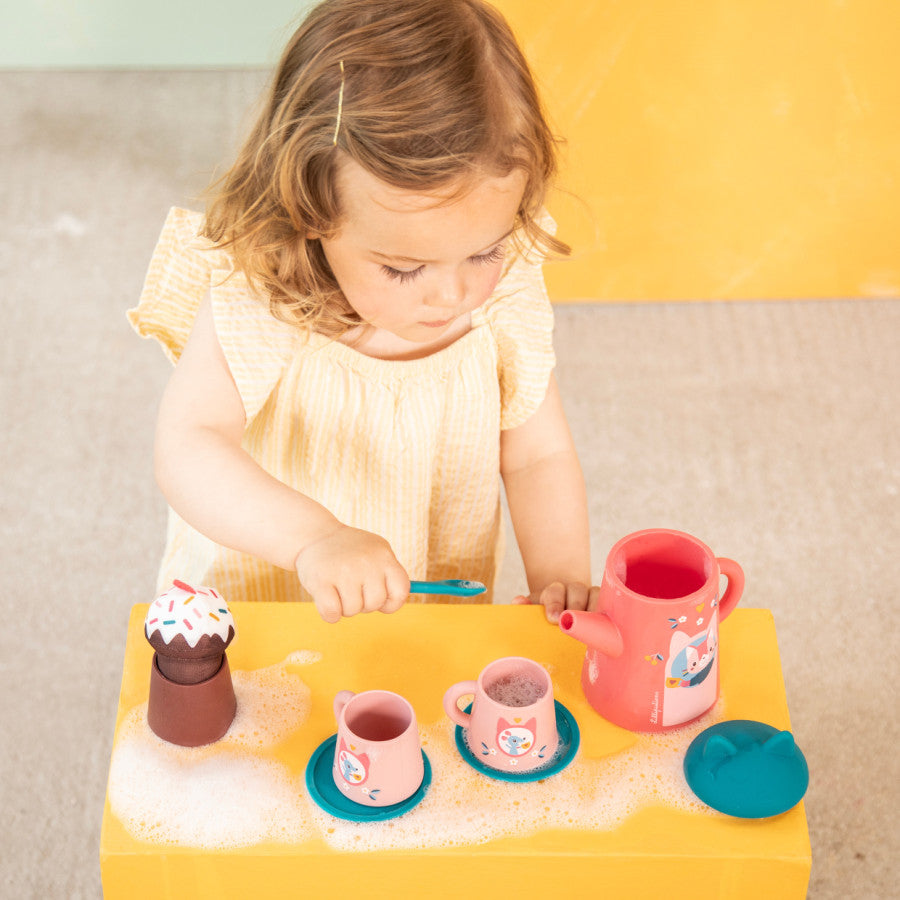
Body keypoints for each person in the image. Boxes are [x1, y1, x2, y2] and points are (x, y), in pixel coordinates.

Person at [129, 0, 597, 624]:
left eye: (484, 251)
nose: (452, 295)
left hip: (425, 600)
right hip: (271, 600)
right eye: (404, 268)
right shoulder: (267, 292)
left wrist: (559, 579)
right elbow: (189, 446)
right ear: (310, 211)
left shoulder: (505, 292)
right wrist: (313, 539)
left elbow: (537, 454)